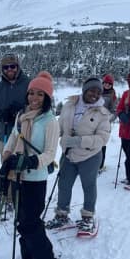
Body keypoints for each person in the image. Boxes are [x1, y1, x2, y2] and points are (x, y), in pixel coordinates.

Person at [0, 71, 62, 259]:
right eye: (31, 93)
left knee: (31, 223)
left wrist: (31, 161)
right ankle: (29, 258)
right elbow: (13, 138)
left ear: (47, 98)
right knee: (21, 220)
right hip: (16, 176)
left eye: (40, 94)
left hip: (35, 179)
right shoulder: (21, 115)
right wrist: (7, 158)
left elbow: (51, 153)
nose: (33, 98)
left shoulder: (50, 121)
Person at [46, 77, 111, 231]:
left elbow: (103, 139)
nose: (94, 94)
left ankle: (88, 217)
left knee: (88, 186)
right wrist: (51, 138)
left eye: (98, 92)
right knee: (64, 185)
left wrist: (78, 141)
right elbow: (59, 127)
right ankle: (62, 215)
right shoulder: (69, 105)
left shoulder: (102, 113)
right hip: (68, 154)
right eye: (91, 90)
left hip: (90, 156)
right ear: (84, 90)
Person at [0, 53, 30, 207]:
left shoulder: (29, 84)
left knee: (24, 167)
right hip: (4, 136)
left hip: (25, 136)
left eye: (13, 66)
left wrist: (22, 111)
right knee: (7, 167)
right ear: (2, 69)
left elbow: (42, 104)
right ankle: (9, 198)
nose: (10, 69)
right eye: (6, 67)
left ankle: (24, 198)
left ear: (18, 67)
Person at [99, 74, 117, 172]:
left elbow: (115, 111)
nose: (107, 85)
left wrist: (108, 119)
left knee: (101, 144)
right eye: (105, 83)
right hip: (93, 123)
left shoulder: (112, 96)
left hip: (104, 124)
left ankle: (100, 166)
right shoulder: (97, 92)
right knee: (92, 143)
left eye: (109, 84)